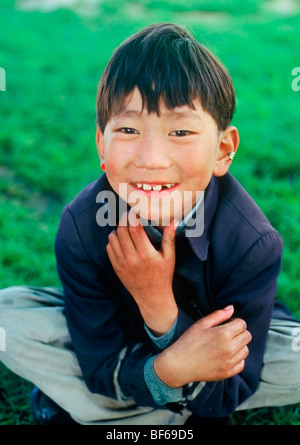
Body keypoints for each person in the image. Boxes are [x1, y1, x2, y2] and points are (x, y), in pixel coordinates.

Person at [0, 23, 300, 426]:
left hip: (216, 349)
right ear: (102, 147)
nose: (152, 158)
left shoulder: (254, 242)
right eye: (128, 129)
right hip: (122, 338)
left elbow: (232, 384)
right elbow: (100, 360)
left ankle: (118, 410)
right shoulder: (82, 225)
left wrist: (160, 308)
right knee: (8, 317)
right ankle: (171, 406)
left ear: (223, 151)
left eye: (180, 131)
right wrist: (170, 370)